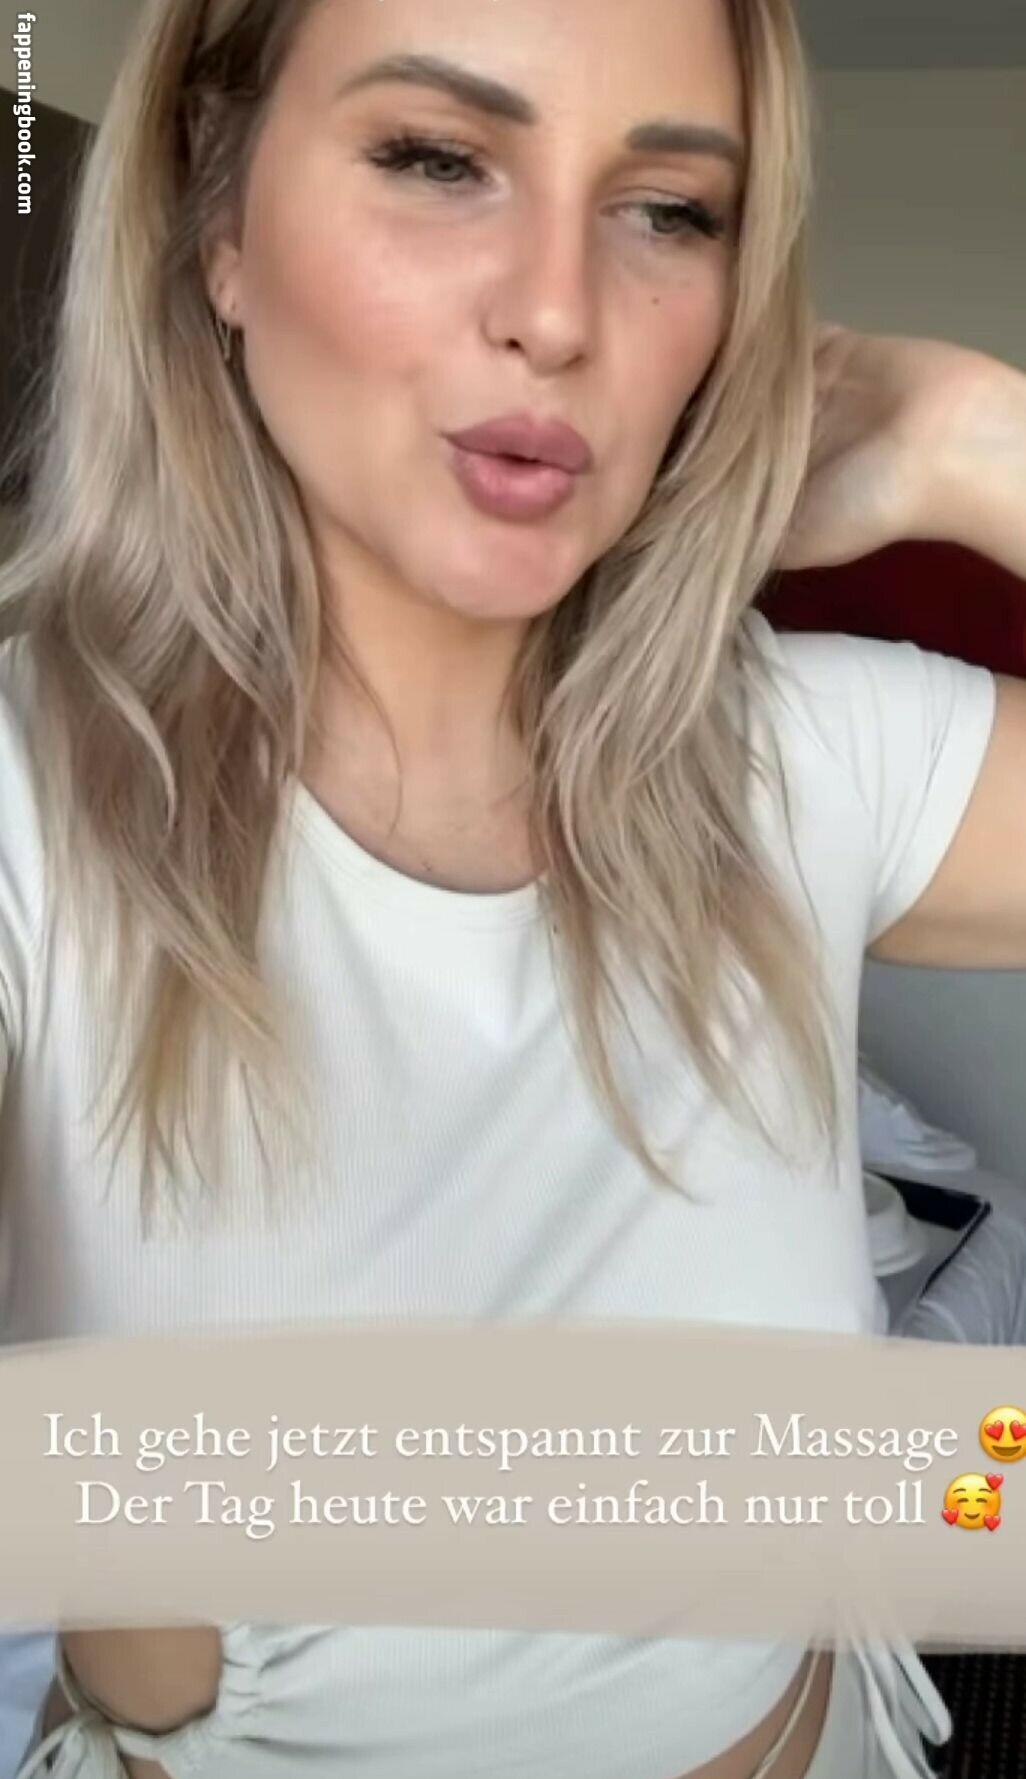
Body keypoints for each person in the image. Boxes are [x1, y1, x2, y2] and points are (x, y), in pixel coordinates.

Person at [3, 0, 1025, 1775]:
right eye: (435, 159)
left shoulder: (801, 754)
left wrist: (975, 443)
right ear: (217, 217)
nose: (558, 311)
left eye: (668, 211)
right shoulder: (29, 802)